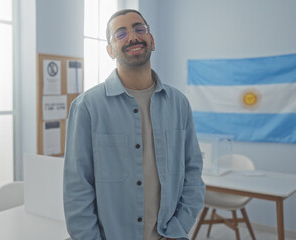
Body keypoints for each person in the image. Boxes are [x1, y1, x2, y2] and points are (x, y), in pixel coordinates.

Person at [63, 9, 205, 240]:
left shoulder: (179, 103)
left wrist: (179, 228)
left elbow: (193, 172)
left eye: (140, 29)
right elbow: (77, 188)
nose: (132, 37)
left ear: (152, 40)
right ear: (110, 50)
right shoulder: (87, 106)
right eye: (120, 34)